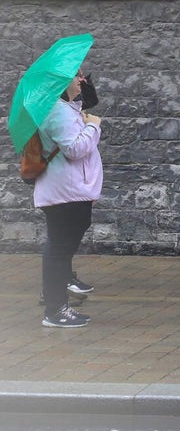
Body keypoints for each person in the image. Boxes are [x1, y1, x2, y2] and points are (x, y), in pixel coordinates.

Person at [34, 70, 102, 328]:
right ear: (63, 83)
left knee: (61, 249)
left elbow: (87, 100)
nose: (81, 81)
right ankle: (54, 309)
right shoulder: (58, 112)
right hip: (65, 192)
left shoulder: (66, 109)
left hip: (71, 190)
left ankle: (56, 300)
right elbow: (74, 149)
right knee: (59, 250)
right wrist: (93, 125)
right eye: (76, 77)